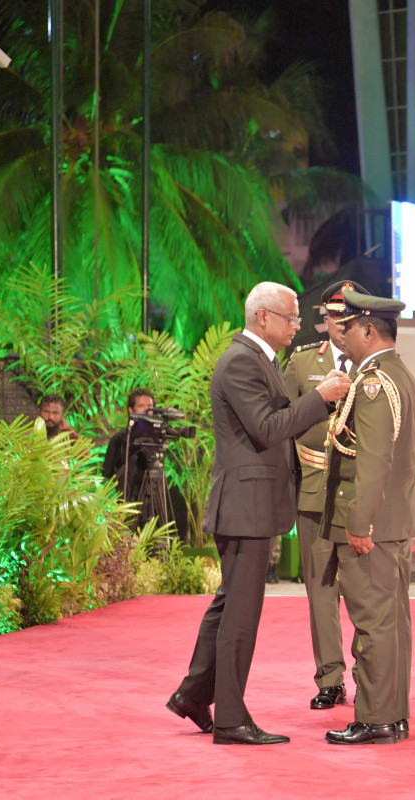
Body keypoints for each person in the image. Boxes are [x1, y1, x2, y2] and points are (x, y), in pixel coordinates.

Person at [166, 281, 350, 746]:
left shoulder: (259, 359)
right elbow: (268, 429)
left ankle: (193, 695)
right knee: (240, 617)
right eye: (290, 317)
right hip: (244, 506)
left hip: (252, 504)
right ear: (262, 317)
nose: (297, 325)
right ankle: (229, 718)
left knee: (228, 606)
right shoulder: (241, 361)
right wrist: (321, 397)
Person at [322, 285, 415, 746]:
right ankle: (393, 714)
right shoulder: (398, 373)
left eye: (348, 327)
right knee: (393, 622)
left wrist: (358, 524)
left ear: (368, 329)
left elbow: (374, 460)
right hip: (395, 521)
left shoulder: (375, 382)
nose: (341, 334)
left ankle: (376, 718)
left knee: (374, 624)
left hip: (373, 525)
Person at [283, 279, 363, 712]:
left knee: (364, 592)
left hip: (359, 496)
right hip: (314, 491)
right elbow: (280, 424)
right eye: (334, 316)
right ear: (324, 319)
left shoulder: (375, 367)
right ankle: (330, 678)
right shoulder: (299, 365)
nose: (339, 324)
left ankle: (369, 676)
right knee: (321, 590)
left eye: (347, 318)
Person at [101, 388, 155, 498]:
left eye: (150, 406)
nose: (146, 410)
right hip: (126, 498)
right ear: (131, 410)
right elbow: (107, 472)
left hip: (152, 496)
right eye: (141, 406)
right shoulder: (119, 439)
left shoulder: (158, 438)